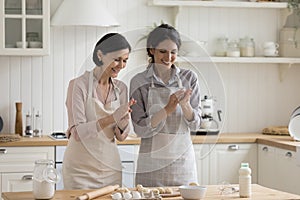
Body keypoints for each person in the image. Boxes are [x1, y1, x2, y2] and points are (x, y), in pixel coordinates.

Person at [130, 24, 202, 187]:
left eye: (173, 52)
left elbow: (196, 124)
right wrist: (167, 109)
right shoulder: (139, 82)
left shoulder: (189, 78)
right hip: (150, 167)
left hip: (182, 165)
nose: (168, 57)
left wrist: (185, 106)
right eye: (163, 51)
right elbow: (140, 128)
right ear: (151, 50)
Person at [63, 33, 136, 189]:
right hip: (80, 170)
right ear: (100, 55)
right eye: (117, 59)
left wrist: (123, 123)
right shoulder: (78, 85)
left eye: (125, 61)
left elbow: (120, 136)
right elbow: (78, 132)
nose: (121, 65)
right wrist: (112, 118)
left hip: (111, 168)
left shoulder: (121, 88)